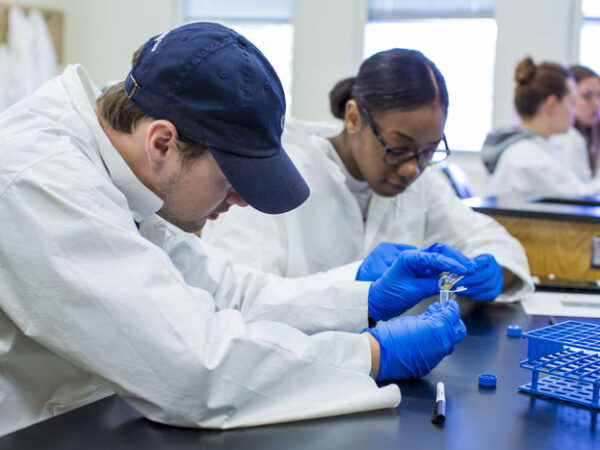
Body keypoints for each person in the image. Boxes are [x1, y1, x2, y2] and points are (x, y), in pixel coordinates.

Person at [0, 23, 472, 436]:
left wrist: (362, 301)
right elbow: (189, 367)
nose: (242, 200)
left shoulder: (122, 168)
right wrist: (371, 355)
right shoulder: (41, 179)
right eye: (231, 180)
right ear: (162, 142)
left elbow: (225, 293)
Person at [203, 49, 532, 302]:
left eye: (428, 151)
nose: (411, 169)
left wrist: (493, 272)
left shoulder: (422, 184)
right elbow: (240, 296)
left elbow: (494, 243)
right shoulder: (276, 171)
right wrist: (355, 280)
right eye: (398, 148)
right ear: (353, 117)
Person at [482, 57, 600, 197]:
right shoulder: (525, 156)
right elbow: (579, 195)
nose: (573, 111)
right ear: (552, 105)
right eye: (572, 102)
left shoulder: (539, 148)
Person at [547, 65, 600, 182]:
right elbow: (577, 192)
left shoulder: (592, 137)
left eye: (599, 95)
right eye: (587, 96)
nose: (596, 103)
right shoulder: (565, 139)